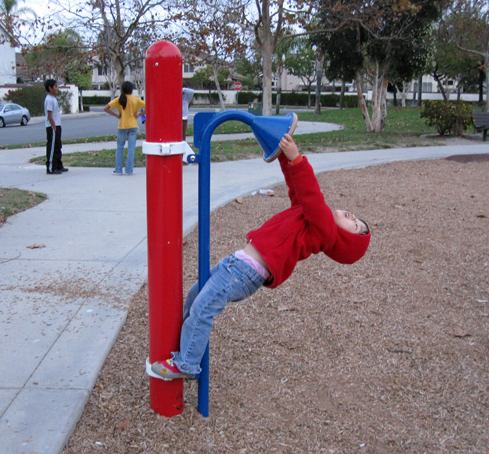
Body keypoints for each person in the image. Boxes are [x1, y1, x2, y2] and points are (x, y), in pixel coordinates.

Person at [149, 133, 371, 380]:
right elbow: (298, 189)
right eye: (358, 219)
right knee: (195, 295)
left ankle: (186, 364)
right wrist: (283, 160)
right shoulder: (308, 218)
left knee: (203, 308)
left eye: (356, 227)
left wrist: (296, 158)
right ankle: (182, 346)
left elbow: (311, 194)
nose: (354, 218)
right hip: (236, 264)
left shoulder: (325, 231)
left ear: (344, 241)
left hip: (245, 272)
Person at [104, 81, 146, 175]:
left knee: (120, 148)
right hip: (133, 125)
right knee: (131, 148)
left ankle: (118, 169)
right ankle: (129, 170)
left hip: (122, 125)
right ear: (131, 90)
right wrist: (139, 114)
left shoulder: (119, 99)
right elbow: (149, 106)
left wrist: (116, 115)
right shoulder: (135, 100)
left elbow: (106, 108)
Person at [44, 79, 68, 174]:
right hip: (52, 126)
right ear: (50, 88)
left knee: (58, 146)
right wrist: (54, 127)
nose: (57, 88)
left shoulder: (53, 98)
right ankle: (51, 167)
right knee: (52, 147)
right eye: (55, 86)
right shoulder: (49, 99)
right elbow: (49, 115)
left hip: (57, 125)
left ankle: (58, 165)